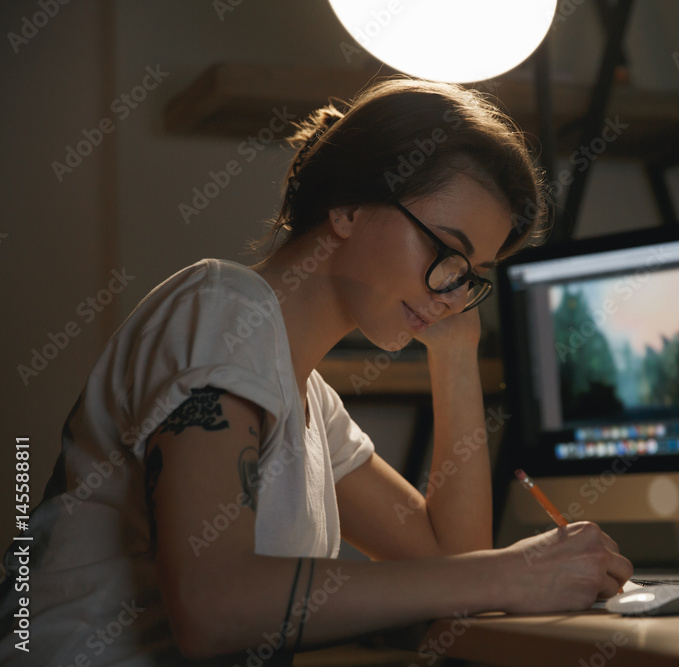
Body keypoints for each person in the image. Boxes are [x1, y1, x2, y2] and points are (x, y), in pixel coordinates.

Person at [0, 78, 632, 665]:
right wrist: (514, 573)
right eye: (446, 253)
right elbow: (211, 605)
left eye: (471, 278)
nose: (451, 292)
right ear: (349, 207)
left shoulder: (311, 403)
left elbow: (450, 566)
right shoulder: (220, 310)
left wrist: (455, 351)